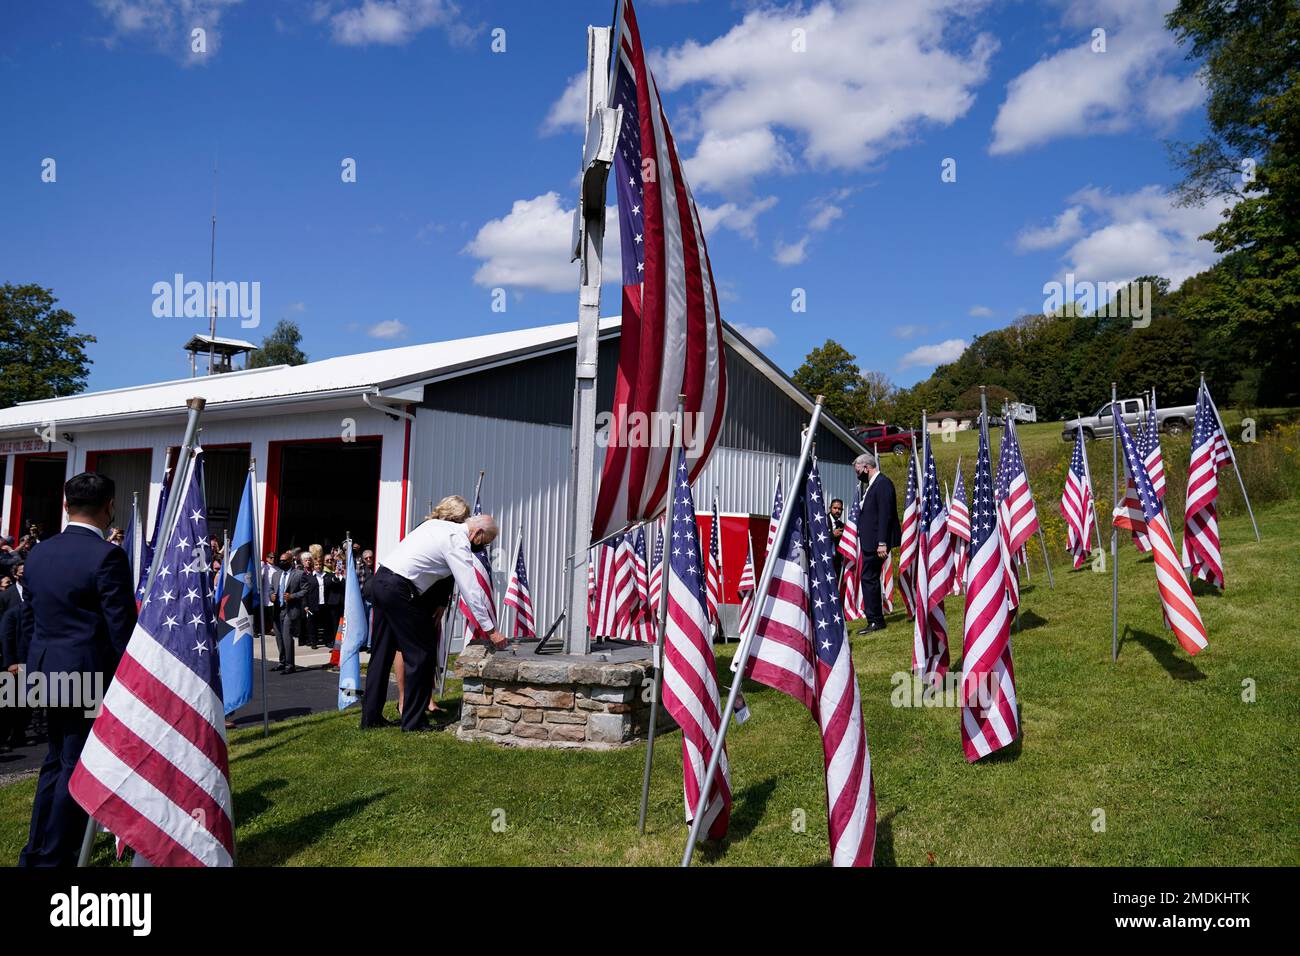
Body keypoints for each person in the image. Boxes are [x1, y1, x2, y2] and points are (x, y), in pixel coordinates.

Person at [19, 472, 137, 867]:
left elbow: (29, 619)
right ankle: (54, 856)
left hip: (41, 670)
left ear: (66, 505)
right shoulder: (107, 555)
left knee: (54, 761)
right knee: (74, 765)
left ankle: (37, 850)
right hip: (85, 674)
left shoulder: (38, 552)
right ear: (108, 508)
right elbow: (120, 627)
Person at [361, 512, 505, 732]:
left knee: (381, 653)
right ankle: (413, 722)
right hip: (399, 589)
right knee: (421, 654)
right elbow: (471, 590)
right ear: (477, 532)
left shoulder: (436, 525)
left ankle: (370, 718)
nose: (481, 547)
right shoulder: (457, 542)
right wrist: (491, 630)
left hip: (380, 580)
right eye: (483, 542)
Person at [853, 452, 901, 633]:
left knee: (869, 578)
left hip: (876, 542)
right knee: (869, 578)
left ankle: (875, 620)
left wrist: (882, 542)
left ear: (866, 467)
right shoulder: (873, 485)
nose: (858, 475)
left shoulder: (882, 484)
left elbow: (885, 515)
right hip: (870, 541)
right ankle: (874, 618)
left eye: (858, 471)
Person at [272, 551, 309, 674]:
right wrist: (270, 595)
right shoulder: (276, 574)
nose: (281, 562)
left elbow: (305, 590)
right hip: (278, 610)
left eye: (284, 560)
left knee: (287, 636)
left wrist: (292, 596)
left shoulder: (299, 574)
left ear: (290, 561)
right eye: (280, 560)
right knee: (279, 637)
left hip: (291, 610)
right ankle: (281, 662)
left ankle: (290, 665)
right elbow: (271, 589)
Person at [828, 498, 845, 578]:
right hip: (825, 559)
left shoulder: (842, 526)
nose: (837, 511)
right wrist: (832, 535)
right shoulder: (823, 521)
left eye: (839, 509)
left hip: (837, 563)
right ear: (830, 508)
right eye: (835, 508)